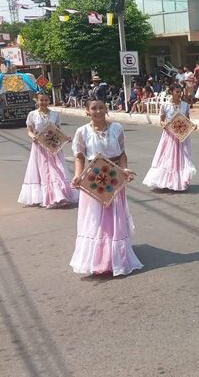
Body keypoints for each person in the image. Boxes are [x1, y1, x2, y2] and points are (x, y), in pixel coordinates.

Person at [69, 96, 143, 276]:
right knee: (96, 218)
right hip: (94, 177)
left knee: (115, 216)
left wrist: (124, 169)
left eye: (101, 107)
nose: (98, 111)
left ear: (106, 109)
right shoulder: (82, 132)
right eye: (94, 108)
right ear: (87, 111)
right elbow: (79, 156)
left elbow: (122, 153)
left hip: (114, 176)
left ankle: (116, 257)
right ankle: (98, 258)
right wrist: (78, 176)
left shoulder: (117, 128)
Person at [18, 92, 79, 208]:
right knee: (44, 171)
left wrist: (65, 139)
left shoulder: (55, 114)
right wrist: (33, 137)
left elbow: (57, 131)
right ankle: (48, 196)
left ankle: (61, 195)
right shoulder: (32, 114)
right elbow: (29, 130)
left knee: (57, 170)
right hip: (40, 147)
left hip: (53, 147)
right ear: (37, 101)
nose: (44, 103)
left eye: (46, 100)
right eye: (41, 100)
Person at [143, 86, 197, 191]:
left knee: (181, 158)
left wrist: (193, 126)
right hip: (169, 137)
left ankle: (179, 182)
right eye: (177, 91)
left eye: (180, 92)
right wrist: (164, 125)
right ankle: (165, 181)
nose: (179, 94)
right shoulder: (165, 105)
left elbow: (187, 120)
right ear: (171, 92)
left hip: (181, 136)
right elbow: (162, 120)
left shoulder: (185, 105)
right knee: (167, 158)